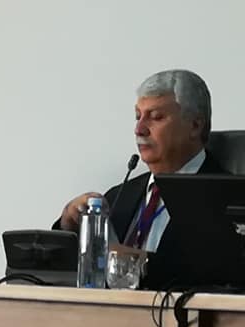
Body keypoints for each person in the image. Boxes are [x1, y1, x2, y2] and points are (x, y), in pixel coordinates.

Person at [56, 69, 228, 285]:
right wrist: (68, 225)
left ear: (195, 125)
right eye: (138, 117)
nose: (139, 129)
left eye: (156, 117)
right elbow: (70, 268)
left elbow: (218, 271)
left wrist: (136, 262)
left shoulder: (228, 199)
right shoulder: (119, 195)